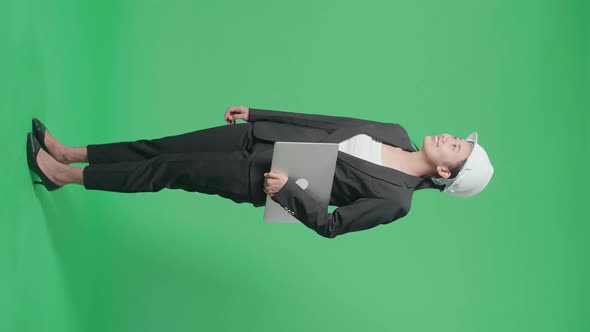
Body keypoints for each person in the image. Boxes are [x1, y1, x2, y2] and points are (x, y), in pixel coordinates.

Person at [26, 106, 494, 238]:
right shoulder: (395, 128)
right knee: (160, 146)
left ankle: (63, 176)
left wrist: (287, 192)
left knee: (165, 169)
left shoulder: (397, 202)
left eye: (458, 149)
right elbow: (323, 122)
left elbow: (332, 225)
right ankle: (70, 153)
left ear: (446, 172)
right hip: (260, 136)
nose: (451, 138)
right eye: (459, 138)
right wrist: (256, 113)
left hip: (259, 178)